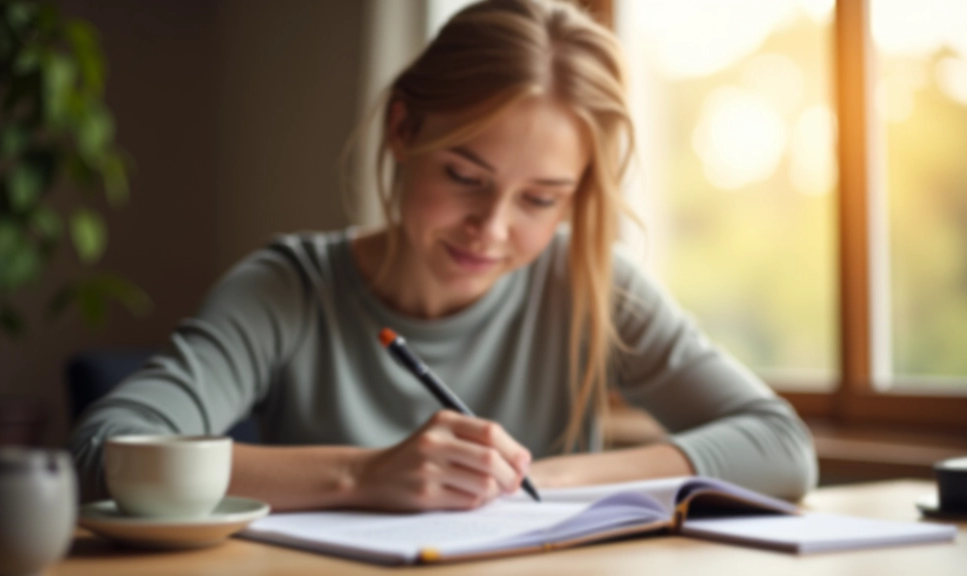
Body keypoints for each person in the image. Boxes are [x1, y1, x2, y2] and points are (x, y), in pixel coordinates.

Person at [71, 0, 817, 511]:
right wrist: (367, 474)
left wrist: (539, 480)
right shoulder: (288, 288)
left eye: (541, 199)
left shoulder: (589, 285)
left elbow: (782, 446)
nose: (491, 229)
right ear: (402, 130)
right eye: (465, 178)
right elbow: (105, 451)